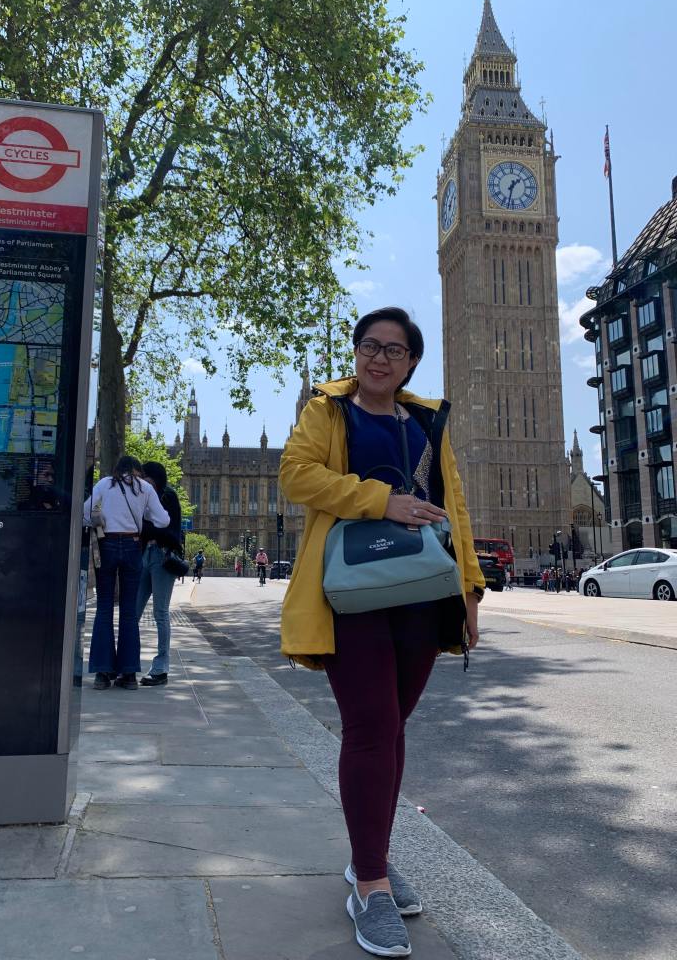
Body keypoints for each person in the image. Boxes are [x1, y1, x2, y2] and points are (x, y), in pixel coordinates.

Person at [279, 306, 484, 958]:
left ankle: (370, 856)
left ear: (411, 362)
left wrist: (471, 590)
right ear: (356, 352)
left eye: (394, 350)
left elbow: (454, 506)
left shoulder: (427, 421)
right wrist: (381, 500)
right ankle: (370, 885)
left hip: (423, 593)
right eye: (370, 345)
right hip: (353, 594)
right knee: (370, 728)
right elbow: (296, 474)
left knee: (392, 729)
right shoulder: (328, 411)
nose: (379, 358)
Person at [83, 455, 170, 690]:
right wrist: (144, 514)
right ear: (137, 470)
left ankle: (103, 673)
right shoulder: (144, 488)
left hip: (107, 545)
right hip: (133, 545)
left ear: (118, 469)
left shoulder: (105, 484)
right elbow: (163, 520)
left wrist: (102, 518)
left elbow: (85, 513)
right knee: (129, 611)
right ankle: (129, 674)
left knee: (104, 608)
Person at [135, 461, 182, 687]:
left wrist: (145, 528)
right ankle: (127, 664)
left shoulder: (168, 496)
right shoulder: (142, 496)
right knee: (132, 612)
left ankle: (161, 669)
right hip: (145, 556)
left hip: (163, 556)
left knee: (160, 613)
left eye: (145, 478)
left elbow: (171, 533)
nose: (141, 482)